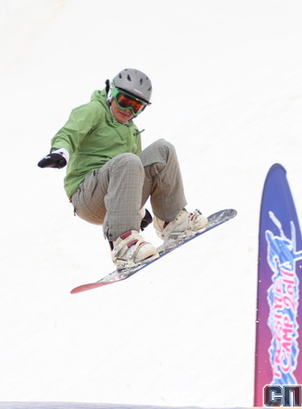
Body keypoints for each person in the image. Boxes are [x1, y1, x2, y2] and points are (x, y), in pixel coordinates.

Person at [38, 68, 207, 270]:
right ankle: (123, 246)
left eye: (136, 107)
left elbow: (135, 174)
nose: (128, 110)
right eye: (124, 101)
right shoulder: (94, 111)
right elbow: (69, 132)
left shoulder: (132, 131)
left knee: (163, 149)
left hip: (116, 198)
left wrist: (139, 211)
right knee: (128, 160)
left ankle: (171, 222)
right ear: (112, 94)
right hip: (87, 196)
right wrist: (60, 152)